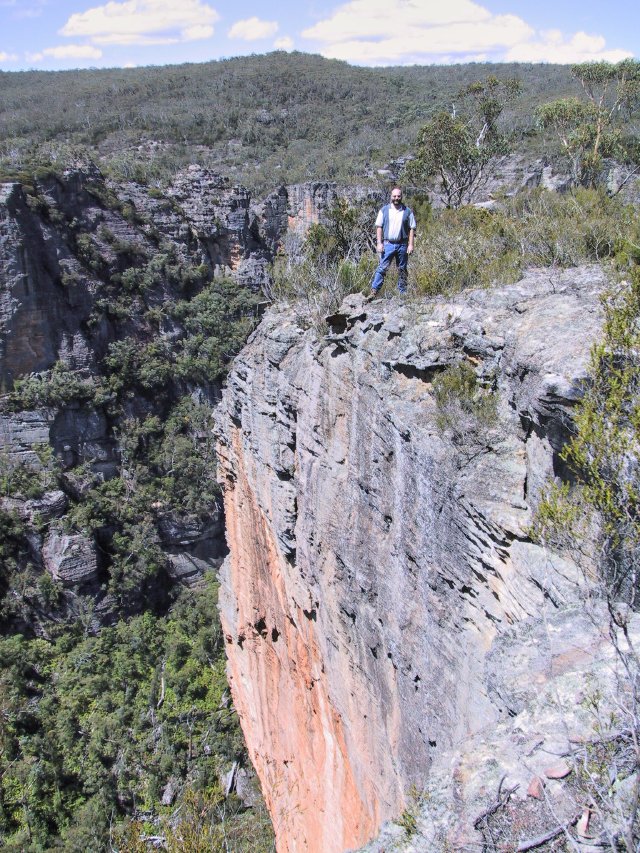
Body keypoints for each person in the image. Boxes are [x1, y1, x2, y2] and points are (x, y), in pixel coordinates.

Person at [369, 187, 416, 297]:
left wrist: (411, 244)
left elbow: (412, 228)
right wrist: (379, 243)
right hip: (388, 244)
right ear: (391, 197)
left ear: (401, 196)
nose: (396, 198)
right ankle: (374, 291)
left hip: (402, 245)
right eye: (394, 196)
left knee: (402, 269)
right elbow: (379, 227)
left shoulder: (408, 211)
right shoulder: (384, 210)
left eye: (398, 196)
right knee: (382, 268)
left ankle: (402, 293)